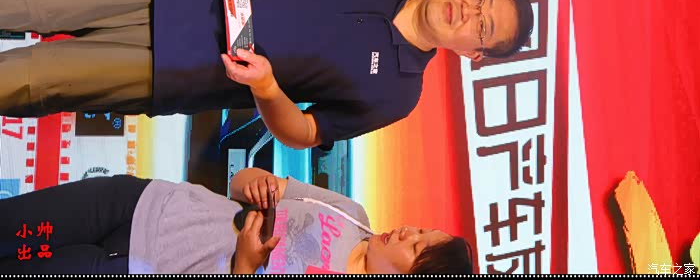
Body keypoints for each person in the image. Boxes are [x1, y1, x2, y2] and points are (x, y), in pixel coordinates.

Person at [0, 0, 534, 150]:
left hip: (173, 69)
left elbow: (305, 133)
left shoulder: (398, 94)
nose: (468, 10)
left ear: (474, 55)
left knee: (29, 80)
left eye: (482, 27)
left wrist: (267, 88)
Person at [0, 168, 474, 274]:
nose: (408, 231)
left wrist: (245, 266)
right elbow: (240, 182)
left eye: (416, 247)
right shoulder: (352, 214)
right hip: (144, 203)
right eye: (421, 229)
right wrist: (257, 184)